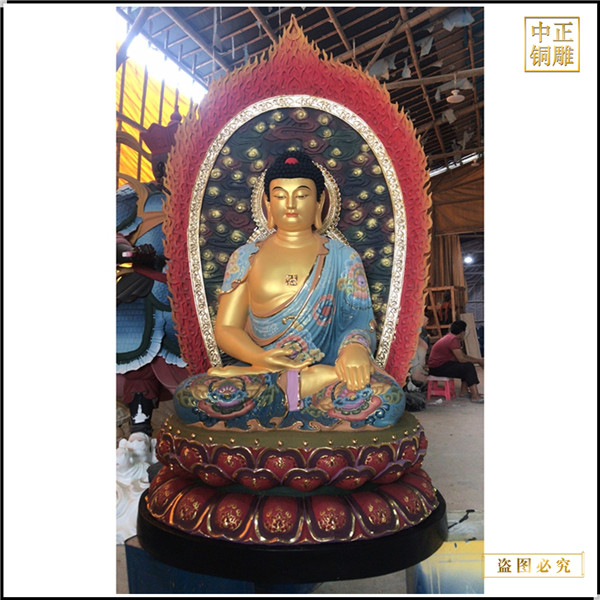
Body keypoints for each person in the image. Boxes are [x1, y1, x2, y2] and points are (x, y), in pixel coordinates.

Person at [173, 151, 405, 431]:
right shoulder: (245, 257)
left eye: (302, 195)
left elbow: (358, 323)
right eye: (280, 196)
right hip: (265, 371)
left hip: (322, 369)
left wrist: (354, 350)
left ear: (320, 201)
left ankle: (285, 397)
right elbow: (226, 329)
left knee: (388, 398)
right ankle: (299, 394)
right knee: (189, 396)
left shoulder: (343, 257)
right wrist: (259, 358)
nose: (291, 204)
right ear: (268, 203)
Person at [427, 319, 484, 403]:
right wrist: (479, 361)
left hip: (438, 366)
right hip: (437, 368)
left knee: (466, 365)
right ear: (462, 332)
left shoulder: (450, 337)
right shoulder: (453, 339)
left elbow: (462, 356)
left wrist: (478, 360)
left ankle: (464, 392)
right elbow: (461, 359)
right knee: (468, 367)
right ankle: (475, 396)